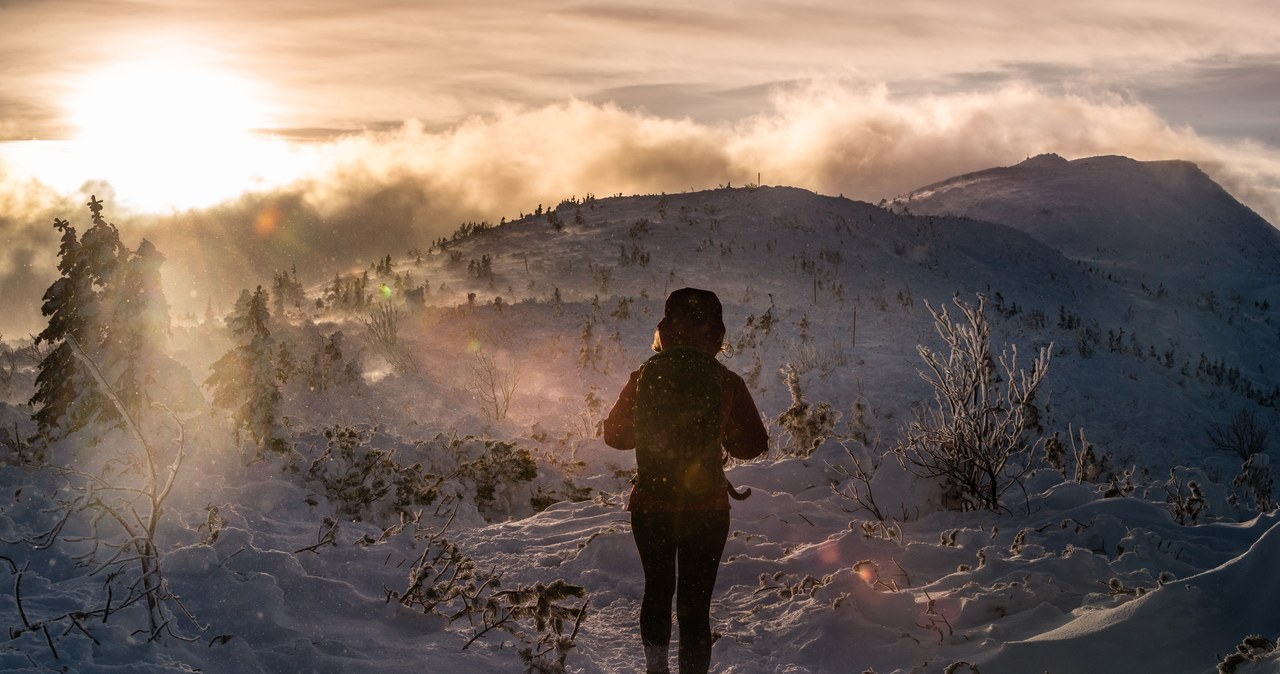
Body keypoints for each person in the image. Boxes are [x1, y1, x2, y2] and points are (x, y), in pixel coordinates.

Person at [604, 287, 768, 674]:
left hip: (651, 506)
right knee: (696, 606)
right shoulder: (726, 381)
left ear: (665, 327)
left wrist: (653, 428)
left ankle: (656, 668)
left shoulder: (643, 376)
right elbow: (752, 445)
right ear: (716, 333)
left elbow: (615, 436)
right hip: (707, 508)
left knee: (657, 591)